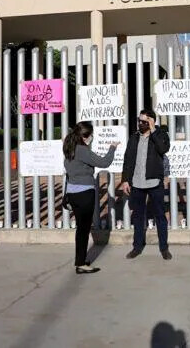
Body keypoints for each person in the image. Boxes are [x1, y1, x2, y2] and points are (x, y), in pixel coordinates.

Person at [63, 121, 118, 274]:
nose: (92, 137)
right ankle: (81, 264)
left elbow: (68, 174)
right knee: (84, 230)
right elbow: (104, 162)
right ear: (85, 136)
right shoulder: (82, 150)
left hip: (73, 194)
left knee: (80, 229)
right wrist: (113, 147)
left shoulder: (69, 148)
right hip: (85, 193)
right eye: (90, 134)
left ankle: (80, 260)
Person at [120, 109, 172, 260]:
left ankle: (164, 248)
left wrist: (154, 130)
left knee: (160, 216)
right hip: (136, 184)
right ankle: (137, 247)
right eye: (139, 120)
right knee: (137, 216)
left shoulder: (160, 135)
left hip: (154, 182)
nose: (140, 124)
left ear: (151, 121)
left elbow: (163, 149)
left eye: (144, 121)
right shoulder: (134, 137)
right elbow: (127, 159)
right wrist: (125, 180)